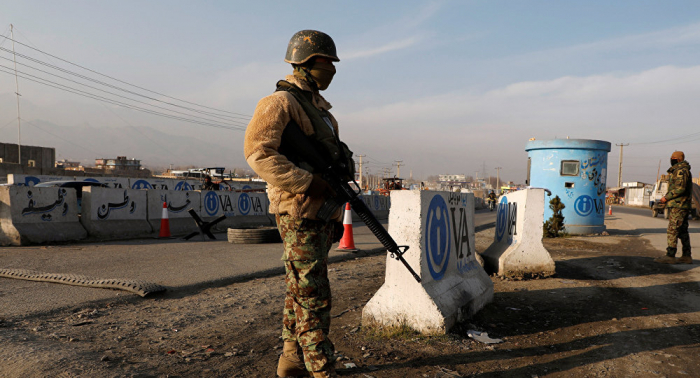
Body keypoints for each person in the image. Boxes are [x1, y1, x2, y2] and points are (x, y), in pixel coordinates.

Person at [243, 30, 353, 378]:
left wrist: (335, 214)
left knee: (300, 291)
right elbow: (258, 153)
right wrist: (308, 182)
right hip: (297, 210)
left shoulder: (322, 112)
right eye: (326, 62)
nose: (331, 69)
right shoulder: (279, 103)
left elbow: (331, 169)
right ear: (305, 62)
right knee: (313, 294)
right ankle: (321, 368)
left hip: (318, 213)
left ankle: (291, 359)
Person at [655, 151, 693, 264]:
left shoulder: (681, 171)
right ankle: (686, 256)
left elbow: (680, 189)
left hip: (679, 205)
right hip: (682, 205)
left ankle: (670, 255)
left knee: (673, 229)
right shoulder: (680, 170)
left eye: (673, 158)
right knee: (682, 231)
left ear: (679, 159)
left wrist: (666, 198)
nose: (671, 159)